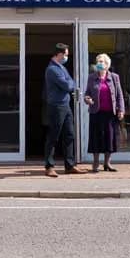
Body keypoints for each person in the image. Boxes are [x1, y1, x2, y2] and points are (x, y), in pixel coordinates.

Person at [43, 43, 85, 177]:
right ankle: (49, 167)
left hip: (65, 106)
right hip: (56, 106)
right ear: (59, 54)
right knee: (53, 136)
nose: (67, 57)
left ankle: (69, 165)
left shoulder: (62, 68)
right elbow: (68, 85)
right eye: (66, 54)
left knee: (69, 135)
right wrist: (70, 84)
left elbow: (71, 82)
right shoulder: (52, 69)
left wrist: (71, 83)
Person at [83, 53, 125, 172]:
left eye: (102, 62)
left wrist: (121, 110)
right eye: (98, 61)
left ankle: (107, 163)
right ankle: (95, 162)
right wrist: (87, 99)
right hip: (96, 112)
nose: (99, 64)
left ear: (107, 65)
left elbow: (119, 95)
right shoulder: (91, 77)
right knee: (96, 138)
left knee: (110, 138)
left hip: (110, 113)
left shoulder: (114, 77)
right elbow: (87, 94)